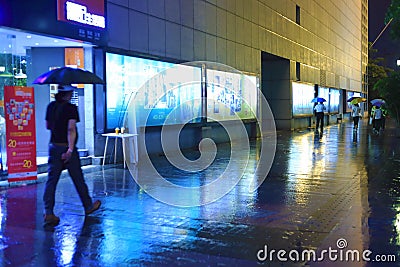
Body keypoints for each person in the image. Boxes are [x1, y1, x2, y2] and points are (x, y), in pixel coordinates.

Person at [43, 85, 101, 226]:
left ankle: (49, 212)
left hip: (54, 146)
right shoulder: (71, 108)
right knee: (78, 178)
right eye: (71, 92)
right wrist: (69, 150)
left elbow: (47, 126)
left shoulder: (51, 106)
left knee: (52, 181)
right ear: (67, 94)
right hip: (66, 148)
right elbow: (71, 129)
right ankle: (88, 206)